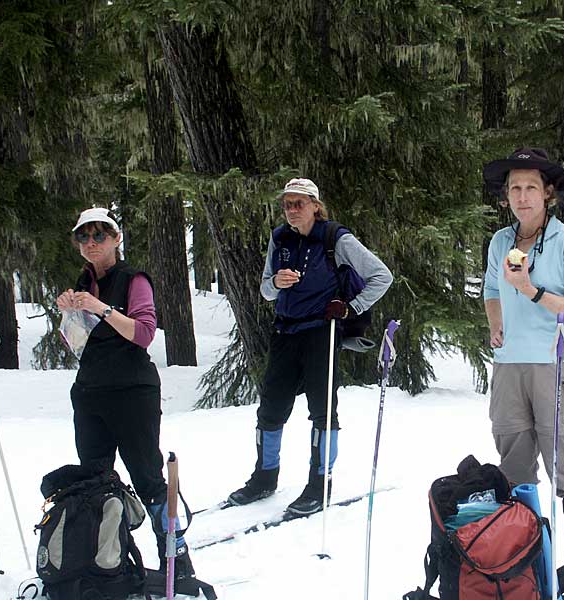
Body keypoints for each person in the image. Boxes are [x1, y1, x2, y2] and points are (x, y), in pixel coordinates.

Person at [228, 178, 393, 515]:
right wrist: (276, 281)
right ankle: (264, 478)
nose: (291, 210)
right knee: (271, 408)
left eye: (299, 203)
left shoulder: (336, 238)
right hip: (285, 331)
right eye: (287, 204)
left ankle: (319, 486)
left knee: (322, 410)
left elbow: (382, 276)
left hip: (322, 330)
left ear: (315, 206)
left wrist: (351, 307)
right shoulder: (280, 238)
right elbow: (265, 291)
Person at [482, 149, 564, 600]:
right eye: (514, 188)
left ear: (548, 193)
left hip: (557, 366)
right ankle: (527, 573)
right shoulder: (500, 242)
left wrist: (531, 291)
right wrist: (496, 320)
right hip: (509, 368)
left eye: (531, 187)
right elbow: (493, 288)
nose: (522, 196)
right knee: (514, 473)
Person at [56, 207, 195, 579]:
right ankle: (104, 558)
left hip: (133, 392)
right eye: (83, 237)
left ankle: (176, 559)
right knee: (94, 480)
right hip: (90, 393)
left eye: (98, 236)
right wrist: (69, 315)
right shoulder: (83, 281)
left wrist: (101, 309)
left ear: (116, 239)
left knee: (148, 477)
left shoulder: (134, 280)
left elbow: (144, 333)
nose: (90, 244)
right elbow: (76, 345)